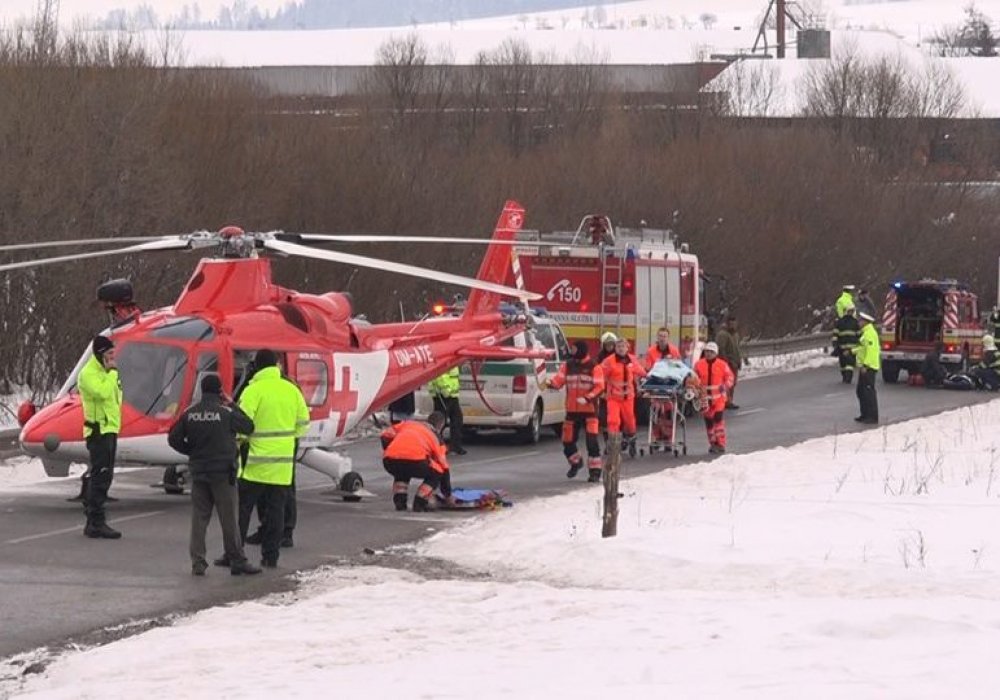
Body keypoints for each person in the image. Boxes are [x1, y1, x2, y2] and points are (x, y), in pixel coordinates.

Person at [168, 375, 261, 576]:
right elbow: (249, 426)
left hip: (199, 473)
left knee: (199, 519)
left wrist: (191, 451)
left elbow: (173, 438)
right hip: (222, 474)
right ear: (220, 391)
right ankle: (237, 560)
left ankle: (198, 563)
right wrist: (233, 404)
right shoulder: (226, 413)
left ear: (202, 391)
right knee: (229, 519)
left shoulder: (190, 413)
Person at [233, 349, 309, 569]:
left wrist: (240, 442)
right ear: (276, 365)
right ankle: (271, 556)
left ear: (256, 366)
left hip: (255, 462)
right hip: (282, 465)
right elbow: (303, 423)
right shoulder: (292, 390)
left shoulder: (253, 390)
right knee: (277, 510)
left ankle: (236, 554)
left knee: (244, 509)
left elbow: (241, 423)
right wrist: (286, 440)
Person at [78, 335, 123, 539]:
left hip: (109, 429)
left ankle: (94, 519)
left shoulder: (107, 373)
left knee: (106, 475)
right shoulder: (89, 374)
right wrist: (112, 373)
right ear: (99, 355)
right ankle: (96, 520)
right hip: (98, 431)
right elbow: (103, 393)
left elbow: (116, 397)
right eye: (109, 354)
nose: (113, 358)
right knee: (100, 476)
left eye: (113, 353)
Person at [546, 340, 605, 482]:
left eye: (573, 349)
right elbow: (558, 381)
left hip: (589, 410)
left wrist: (588, 398)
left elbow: (600, 387)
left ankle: (595, 471)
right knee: (567, 441)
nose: (571, 351)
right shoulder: (567, 365)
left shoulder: (594, 366)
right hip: (572, 410)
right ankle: (576, 462)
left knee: (592, 442)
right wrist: (549, 383)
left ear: (581, 350)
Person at [382, 411, 454, 511]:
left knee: (402, 470)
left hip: (390, 460)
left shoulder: (408, 424)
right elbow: (444, 466)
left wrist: (389, 449)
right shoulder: (437, 438)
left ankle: (400, 501)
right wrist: (448, 495)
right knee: (437, 471)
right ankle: (420, 501)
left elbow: (385, 434)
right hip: (416, 461)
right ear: (440, 426)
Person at [599, 338, 647, 461]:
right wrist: (600, 391)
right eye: (619, 346)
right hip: (613, 398)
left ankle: (631, 439)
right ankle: (613, 445)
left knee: (630, 422)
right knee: (613, 421)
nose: (621, 348)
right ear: (616, 348)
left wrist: (650, 376)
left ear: (627, 348)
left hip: (628, 398)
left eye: (623, 346)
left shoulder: (632, 360)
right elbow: (600, 374)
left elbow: (642, 372)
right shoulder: (609, 361)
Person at [694, 341, 735, 454]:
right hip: (705, 399)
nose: (708, 354)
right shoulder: (699, 365)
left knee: (718, 420)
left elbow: (730, 377)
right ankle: (712, 443)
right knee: (709, 423)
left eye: (711, 352)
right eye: (707, 351)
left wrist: (725, 386)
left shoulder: (722, 365)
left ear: (716, 353)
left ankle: (721, 444)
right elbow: (694, 378)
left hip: (719, 399)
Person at [428, 366, 466, 455]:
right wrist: (446, 391)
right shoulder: (447, 361)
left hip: (450, 396)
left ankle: (455, 446)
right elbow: (439, 376)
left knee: (457, 420)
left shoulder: (453, 363)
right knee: (439, 423)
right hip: (443, 396)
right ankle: (436, 447)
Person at [853, 312, 881, 424]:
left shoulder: (870, 334)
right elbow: (862, 348)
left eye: (860, 321)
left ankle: (872, 416)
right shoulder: (865, 333)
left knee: (869, 392)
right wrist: (852, 351)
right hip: (864, 367)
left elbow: (871, 351)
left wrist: (866, 365)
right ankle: (865, 414)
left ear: (865, 322)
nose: (859, 323)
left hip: (869, 367)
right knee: (861, 391)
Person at [714, 316, 745, 408]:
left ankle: (729, 400)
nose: (733, 325)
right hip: (727, 363)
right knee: (727, 383)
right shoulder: (722, 334)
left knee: (732, 383)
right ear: (727, 323)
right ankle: (726, 401)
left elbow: (737, 349)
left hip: (735, 362)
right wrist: (726, 362)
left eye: (734, 323)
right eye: (731, 323)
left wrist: (739, 361)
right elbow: (721, 349)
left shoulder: (735, 335)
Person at [831, 304, 860, 384]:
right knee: (847, 364)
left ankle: (846, 378)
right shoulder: (855, 322)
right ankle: (847, 378)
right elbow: (859, 335)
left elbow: (835, 335)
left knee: (845, 364)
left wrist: (835, 344)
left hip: (843, 347)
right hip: (851, 348)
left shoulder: (839, 322)